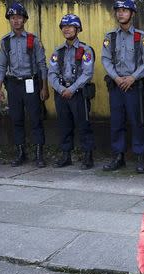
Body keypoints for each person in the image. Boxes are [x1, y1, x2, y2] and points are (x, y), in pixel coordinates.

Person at [101, 0, 144, 173]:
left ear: (132, 13)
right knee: (116, 122)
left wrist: (133, 77)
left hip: (134, 86)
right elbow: (106, 59)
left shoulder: (141, 36)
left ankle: (140, 157)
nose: (121, 14)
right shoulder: (110, 37)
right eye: (118, 11)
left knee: (137, 121)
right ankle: (118, 156)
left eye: (125, 10)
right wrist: (116, 78)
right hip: (116, 86)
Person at [0, 2, 49, 168]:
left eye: (19, 17)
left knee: (35, 118)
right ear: (10, 20)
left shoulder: (33, 40)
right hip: (13, 85)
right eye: (12, 18)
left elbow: (42, 65)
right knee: (16, 119)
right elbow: (2, 67)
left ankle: (39, 154)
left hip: (31, 83)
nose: (16, 21)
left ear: (24, 19)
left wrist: (44, 86)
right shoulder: (5, 42)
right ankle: (21, 153)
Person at [48, 14, 96, 170]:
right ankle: (65, 155)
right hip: (62, 93)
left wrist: (72, 89)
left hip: (78, 93)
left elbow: (87, 73)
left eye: (70, 26)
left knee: (83, 125)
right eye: (64, 26)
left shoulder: (85, 49)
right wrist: (62, 89)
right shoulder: (58, 51)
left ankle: (88, 156)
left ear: (77, 29)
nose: (66, 29)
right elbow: (52, 73)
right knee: (64, 125)